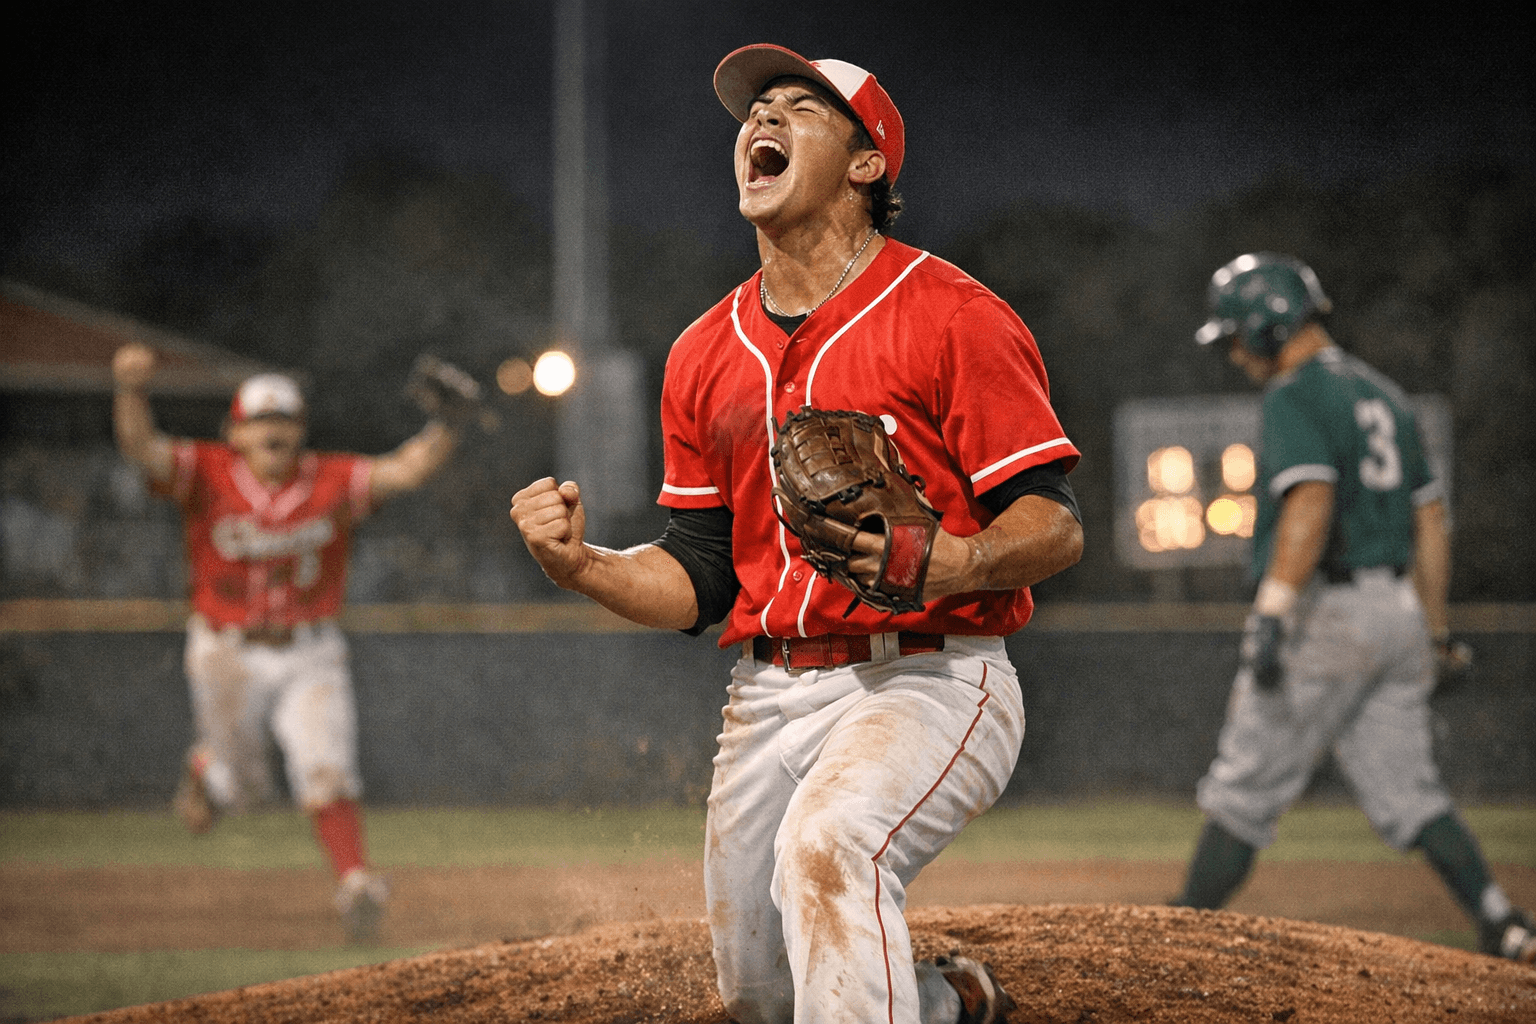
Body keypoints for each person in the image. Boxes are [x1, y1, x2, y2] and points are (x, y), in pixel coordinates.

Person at [511, 44, 1082, 1024]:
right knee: (768, 996)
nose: (761, 120)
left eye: (799, 108)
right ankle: (945, 1004)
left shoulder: (954, 316)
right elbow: (698, 576)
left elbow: (1055, 523)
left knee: (832, 844)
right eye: (754, 109)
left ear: (867, 165)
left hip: (933, 675)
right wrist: (583, 566)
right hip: (769, 691)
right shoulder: (701, 351)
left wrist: (965, 558)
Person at [1173, 252, 1536, 966]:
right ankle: (1501, 920)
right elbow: (1431, 520)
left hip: (1325, 613)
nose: (1237, 354)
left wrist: (1273, 612)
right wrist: (1433, 631)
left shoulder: (1294, 394)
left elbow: (1311, 502)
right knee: (1409, 789)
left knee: (1245, 786)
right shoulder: (1385, 395)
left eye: (1239, 336)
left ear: (1269, 325)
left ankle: (1177, 932)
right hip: (1397, 609)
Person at [111, 341, 462, 944]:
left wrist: (449, 423)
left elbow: (406, 469)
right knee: (244, 792)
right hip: (225, 651)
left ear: (300, 430)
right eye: (260, 421)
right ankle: (208, 768)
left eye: (284, 420)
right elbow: (141, 448)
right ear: (236, 433)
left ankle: (355, 883)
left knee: (325, 768)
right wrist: (130, 390)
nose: (273, 430)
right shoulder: (209, 470)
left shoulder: (330, 477)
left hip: (310, 650)